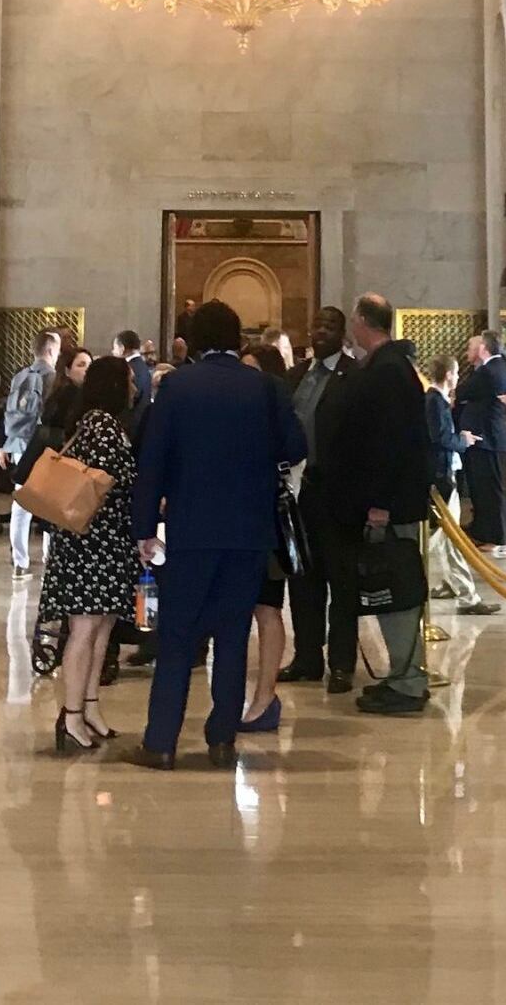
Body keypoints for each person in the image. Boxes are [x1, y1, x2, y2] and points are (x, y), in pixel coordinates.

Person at [124, 299, 306, 770]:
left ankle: (161, 741)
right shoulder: (264, 387)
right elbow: (296, 445)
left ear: (197, 341)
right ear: (236, 338)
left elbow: (153, 460)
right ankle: (222, 738)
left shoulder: (178, 386)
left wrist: (143, 528)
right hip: (249, 530)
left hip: (192, 528)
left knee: (177, 635)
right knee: (232, 635)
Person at [320, 294, 437, 715]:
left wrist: (380, 503)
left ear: (363, 321)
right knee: (391, 590)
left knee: (396, 589)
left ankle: (408, 683)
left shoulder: (388, 371)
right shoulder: (388, 366)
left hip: (391, 504)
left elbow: (390, 444)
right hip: (386, 499)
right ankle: (401, 675)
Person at [39, 356, 142, 753]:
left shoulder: (101, 423)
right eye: (128, 380)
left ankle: (90, 705)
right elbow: (106, 479)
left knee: (101, 629)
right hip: (91, 542)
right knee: (84, 630)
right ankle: (70, 714)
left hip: (103, 541)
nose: (134, 388)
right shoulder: (102, 425)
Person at [282, 305, 355, 688]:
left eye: (329, 326)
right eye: (317, 325)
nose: (321, 331)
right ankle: (306, 657)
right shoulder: (296, 375)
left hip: (337, 492)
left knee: (341, 582)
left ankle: (341, 663)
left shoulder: (353, 376)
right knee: (303, 580)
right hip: (298, 493)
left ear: (342, 334)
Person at [239, 344, 300, 731]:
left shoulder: (278, 416)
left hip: (265, 521)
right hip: (239, 520)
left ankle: (264, 696)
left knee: (267, 607)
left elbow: (296, 453)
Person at [426, 355, 499, 616]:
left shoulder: (436, 400)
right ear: (448, 375)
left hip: (444, 476)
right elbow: (440, 438)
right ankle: (467, 596)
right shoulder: (435, 401)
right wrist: (463, 441)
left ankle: (453, 584)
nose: (458, 378)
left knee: (447, 539)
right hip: (441, 478)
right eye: (456, 373)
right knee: (448, 539)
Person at [2, 330, 61, 578]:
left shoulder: (20, 376)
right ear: (50, 350)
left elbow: (9, 412)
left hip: (19, 445)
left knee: (21, 504)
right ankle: (49, 555)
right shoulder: (53, 377)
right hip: (43, 444)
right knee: (52, 502)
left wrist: (5, 444)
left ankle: (20, 561)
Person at [453, 330, 506, 550]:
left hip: (487, 438)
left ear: (483, 349)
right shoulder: (493, 368)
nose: (467, 351)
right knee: (480, 488)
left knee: (489, 490)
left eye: (471, 346)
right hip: (482, 438)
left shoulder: (489, 370)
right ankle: (481, 530)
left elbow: (463, 391)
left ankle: (494, 536)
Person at [114, 330, 155, 424]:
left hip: (130, 423)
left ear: (122, 348)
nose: (113, 352)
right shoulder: (143, 366)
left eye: (115, 348)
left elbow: (129, 398)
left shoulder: (128, 368)